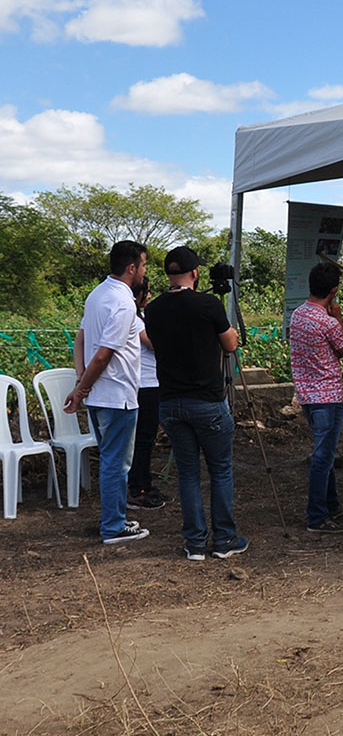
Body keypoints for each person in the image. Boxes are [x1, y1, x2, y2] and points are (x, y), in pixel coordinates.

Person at [144, 245, 246, 560]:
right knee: (220, 469)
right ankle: (225, 540)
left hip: (171, 401)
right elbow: (230, 344)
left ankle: (195, 544)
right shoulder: (209, 304)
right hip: (207, 401)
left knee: (188, 473)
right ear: (195, 273)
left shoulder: (154, 308)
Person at [65, 240, 149, 544]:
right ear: (131, 268)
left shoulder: (97, 294)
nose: (144, 271)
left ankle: (114, 518)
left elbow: (81, 340)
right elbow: (103, 355)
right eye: (143, 265)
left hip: (99, 397)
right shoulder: (125, 302)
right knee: (117, 463)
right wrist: (81, 387)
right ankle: (113, 527)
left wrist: (80, 384)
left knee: (110, 461)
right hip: (118, 397)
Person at [289, 261, 343, 534]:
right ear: (334, 291)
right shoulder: (327, 322)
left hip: (307, 395)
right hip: (328, 396)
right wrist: (339, 318)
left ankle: (332, 503)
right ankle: (317, 515)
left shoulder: (297, 315)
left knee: (324, 453)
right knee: (323, 456)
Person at [128, 278, 167, 511]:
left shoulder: (139, 317)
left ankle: (145, 484)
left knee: (146, 438)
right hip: (146, 385)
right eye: (147, 291)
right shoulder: (135, 319)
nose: (150, 295)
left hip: (150, 383)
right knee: (143, 438)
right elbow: (153, 344)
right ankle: (137, 488)